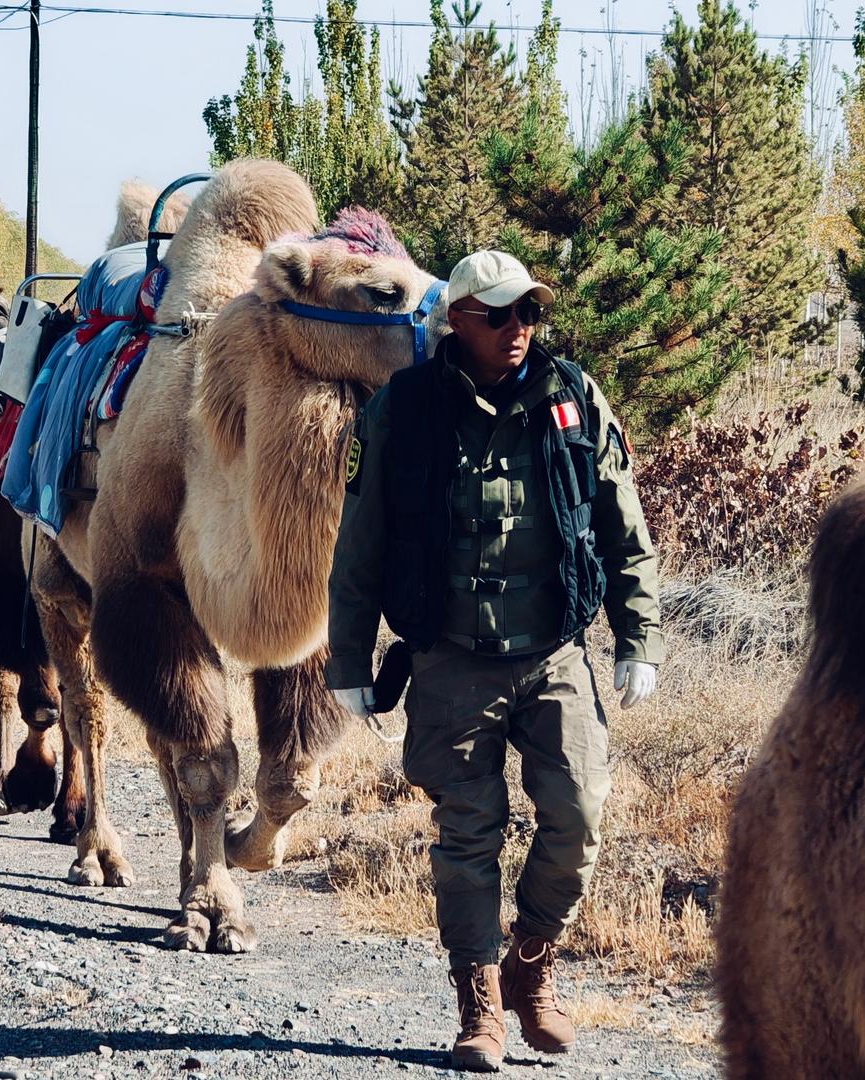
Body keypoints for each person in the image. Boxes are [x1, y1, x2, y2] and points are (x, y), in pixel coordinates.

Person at [324, 250, 662, 1072]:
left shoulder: (573, 397)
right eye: (502, 314)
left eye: (531, 314)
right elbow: (358, 546)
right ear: (460, 319)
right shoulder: (402, 410)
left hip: (553, 652)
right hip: (450, 656)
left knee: (579, 815)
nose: (520, 330)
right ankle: (479, 1005)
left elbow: (623, 522)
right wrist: (348, 660)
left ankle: (530, 969)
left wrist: (637, 636)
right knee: (467, 835)